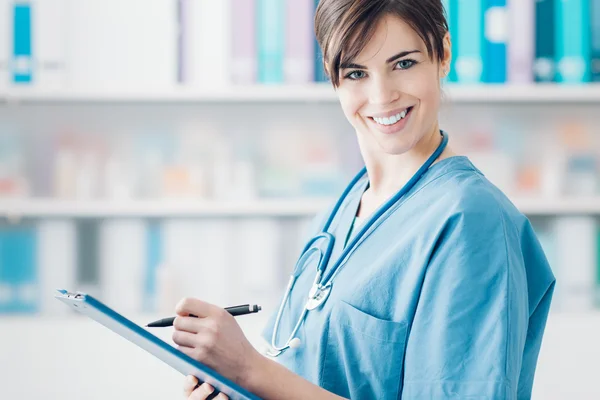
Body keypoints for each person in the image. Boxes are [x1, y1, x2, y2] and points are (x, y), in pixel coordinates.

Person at [173, 0, 556, 399]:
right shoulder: (338, 214)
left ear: (442, 54)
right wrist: (236, 386)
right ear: (332, 77)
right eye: (356, 72)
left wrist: (251, 371)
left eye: (403, 64)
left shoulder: (472, 222)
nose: (382, 95)